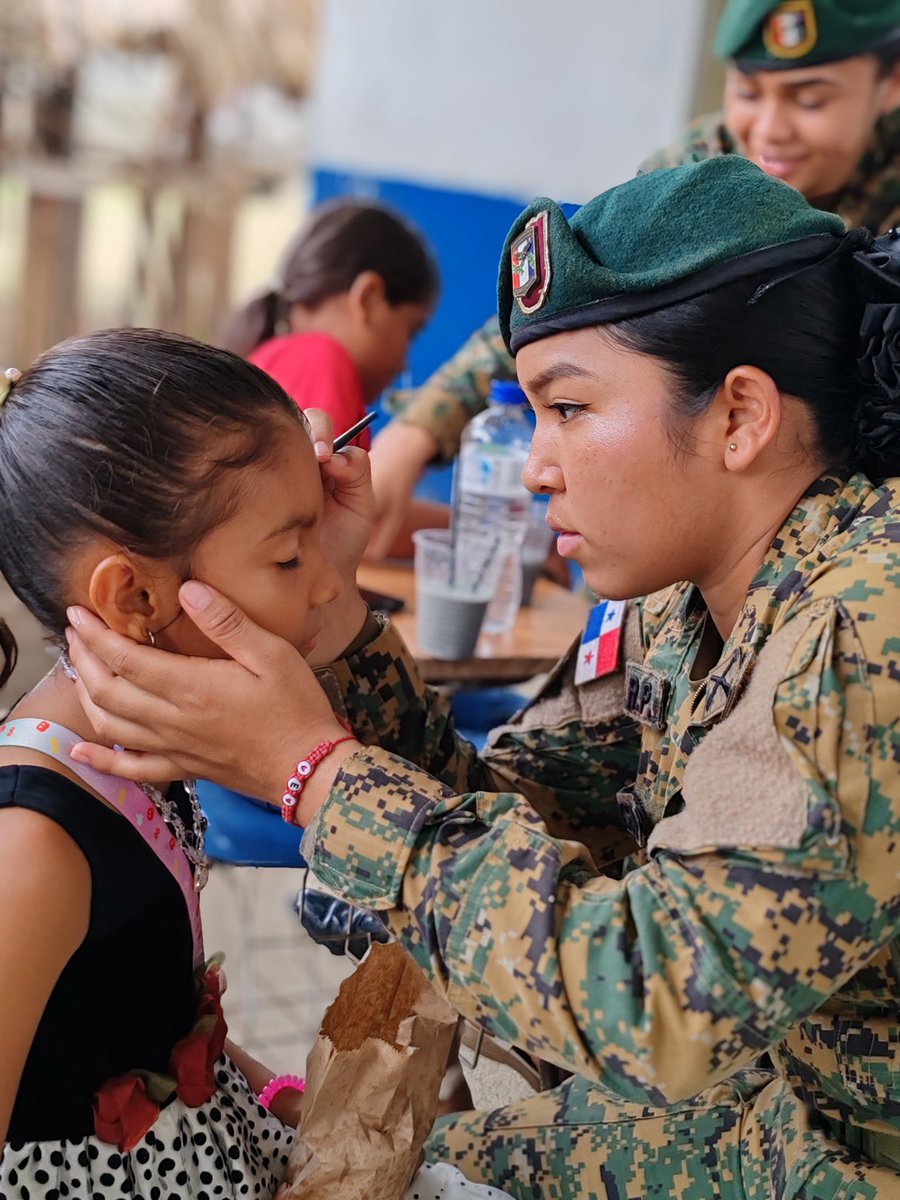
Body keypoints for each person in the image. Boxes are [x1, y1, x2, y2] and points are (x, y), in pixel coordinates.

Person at [64, 156, 900, 1196]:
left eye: (571, 409)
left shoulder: (864, 625)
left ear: (739, 416)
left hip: (847, 1144)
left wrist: (315, 777)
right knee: (418, 1168)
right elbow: (515, 806)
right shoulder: (679, 605)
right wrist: (330, 619)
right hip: (771, 1100)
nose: (536, 463)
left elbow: (657, 1008)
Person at [0, 330, 513, 1200]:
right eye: (288, 554)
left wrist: (270, 1096)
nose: (323, 584)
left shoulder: (137, 755)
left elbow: (137, 1020)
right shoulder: (33, 846)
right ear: (134, 599)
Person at [365, 0, 900, 558]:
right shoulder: (701, 167)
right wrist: (415, 434)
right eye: (746, 92)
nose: (768, 130)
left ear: (891, 83)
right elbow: (575, 314)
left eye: (810, 99)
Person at [222, 197, 439, 457]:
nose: (404, 364)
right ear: (368, 299)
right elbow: (314, 497)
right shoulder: (319, 361)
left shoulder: (284, 358)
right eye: (411, 330)